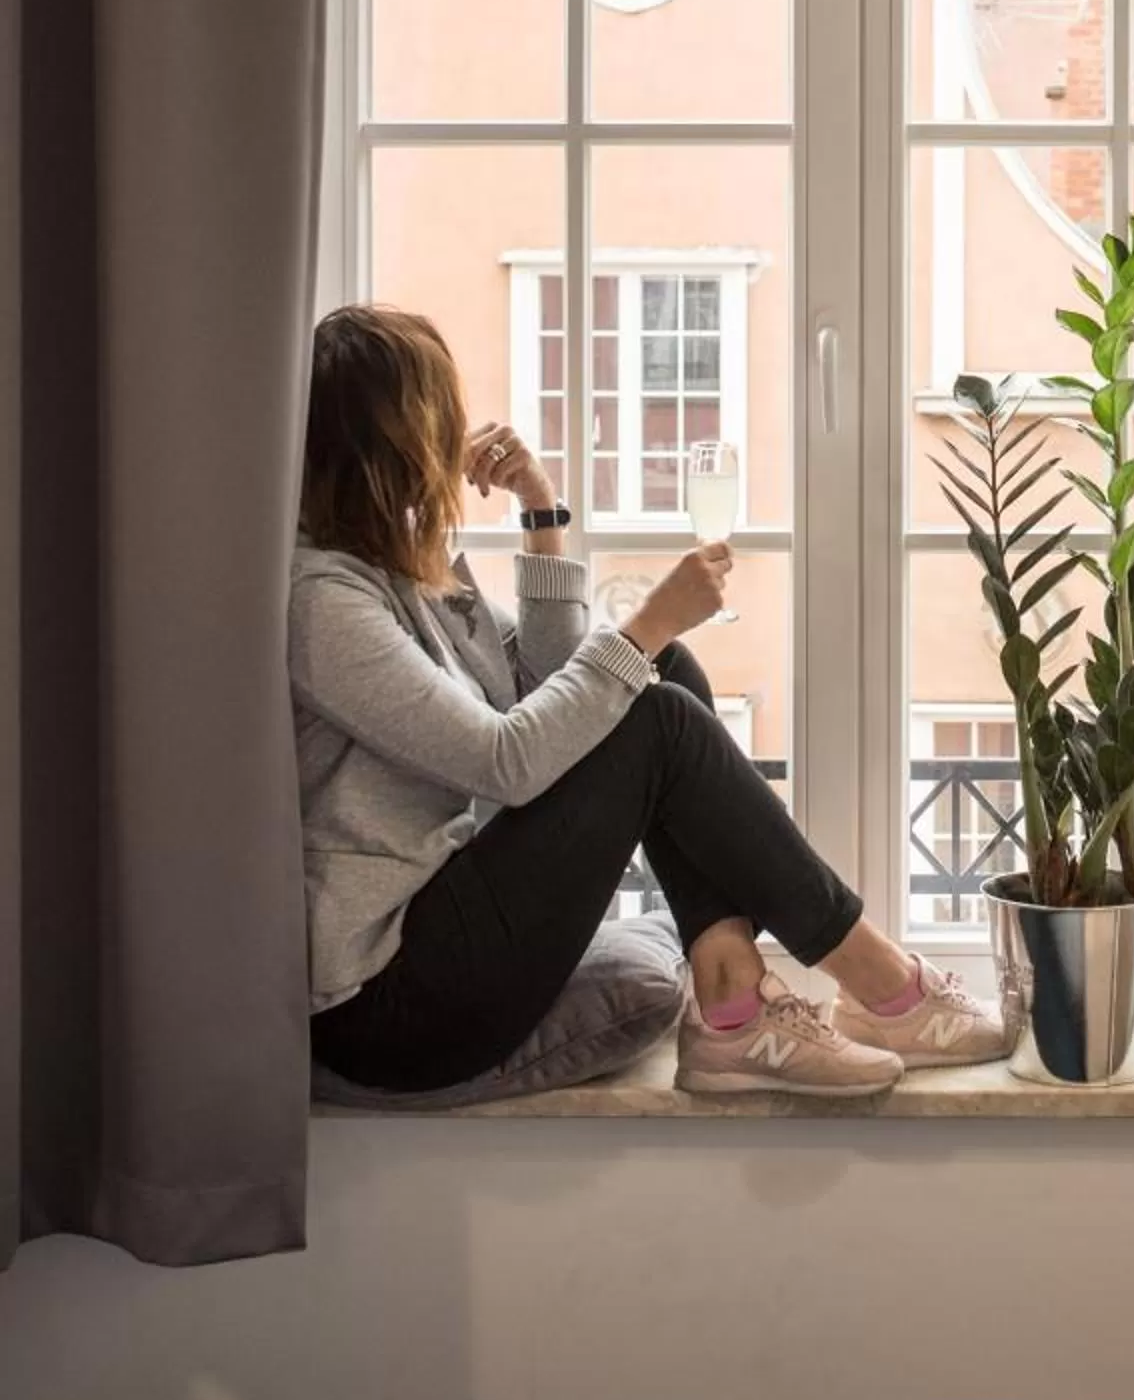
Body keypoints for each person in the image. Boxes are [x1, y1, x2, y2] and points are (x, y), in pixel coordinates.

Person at [292, 304, 1008, 1099]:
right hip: (387, 1005)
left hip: (440, 931)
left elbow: (553, 683)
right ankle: (878, 980)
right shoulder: (324, 603)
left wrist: (541, 512)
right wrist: (647, 620)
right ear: (399, 444)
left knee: (661, 671)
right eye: (441, 417)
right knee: (654, 702)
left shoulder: (400, 572)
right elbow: (509, 760)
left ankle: (735, 1013)